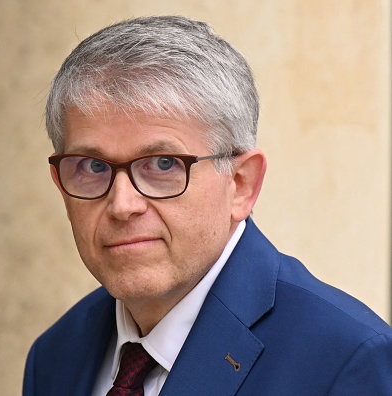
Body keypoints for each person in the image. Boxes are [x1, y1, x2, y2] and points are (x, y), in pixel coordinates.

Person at [23, 16, 392, 395]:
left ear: (241, 184)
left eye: (163, 164)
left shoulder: (345, 360)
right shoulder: (54, 356)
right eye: (93, 167)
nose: (122, 204)